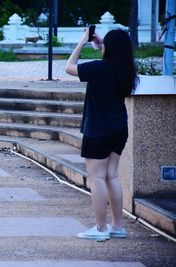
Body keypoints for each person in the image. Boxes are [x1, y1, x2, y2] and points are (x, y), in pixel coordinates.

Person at [65, 28, 138, 240]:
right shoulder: (125, 71)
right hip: (119, 129)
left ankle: (100, 228)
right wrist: (100, 44)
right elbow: (108, 64)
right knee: (111, 176)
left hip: (98, 130)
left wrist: (82, 42)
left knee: (96, 178)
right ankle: (117, 226)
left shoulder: (99, 68)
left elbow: (69, 67)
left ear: (109, 48)